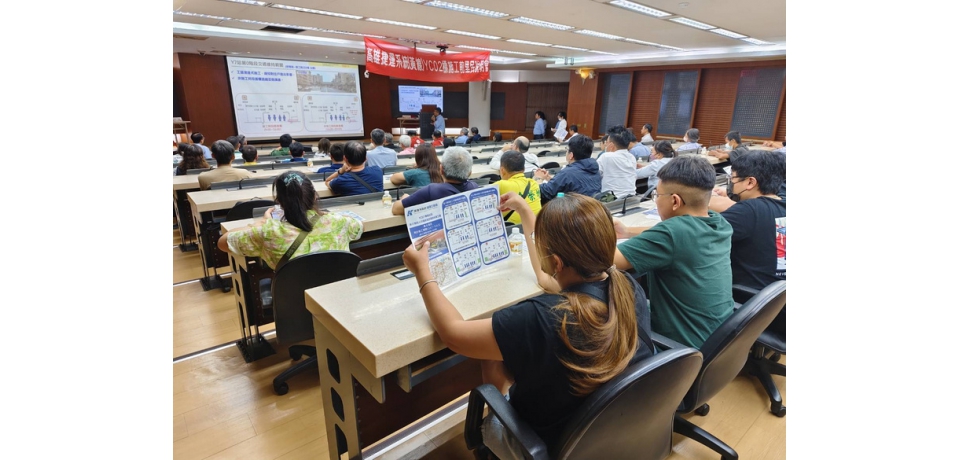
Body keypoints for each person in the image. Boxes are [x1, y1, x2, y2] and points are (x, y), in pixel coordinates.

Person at [401, 192, 653, 457]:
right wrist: (524, 212)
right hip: (609, 431)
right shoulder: (626, 287)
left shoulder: (541, 317)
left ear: (556, 262)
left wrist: (423, 273)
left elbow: (453, 334)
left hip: (550, 444)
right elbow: (546, 280)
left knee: (492, 358)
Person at [613, 156, 734, 348]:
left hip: (680, 349)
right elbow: (673, 235)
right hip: (718, 339)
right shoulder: (718, 222)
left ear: (675, 201)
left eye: (657, 196)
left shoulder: (672, 233)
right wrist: (627, 232)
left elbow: (607, 259)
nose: (656, 201)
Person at [218, 170, 363, 270]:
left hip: (292, 299)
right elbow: (358, 227)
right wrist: (323, 215)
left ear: (279, 202)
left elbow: (223, 242)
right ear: (314, 196)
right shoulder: (338, 222)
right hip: (335, 292)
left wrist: (260, 223)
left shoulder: (268, 231)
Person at [707, 151, 786, 290]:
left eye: (733, 179)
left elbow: (698, 237)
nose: (731, 184)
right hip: (775, 299)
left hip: (747, 298)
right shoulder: (783, 203)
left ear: (750, 182)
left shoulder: (748, 211)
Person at [391, 147, 478, 215]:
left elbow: (396, 209)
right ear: (469, 173)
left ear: (441, 170)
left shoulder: (432, 190)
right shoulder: (475, 188)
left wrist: (405, 197)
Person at [535, 135, 601, 203]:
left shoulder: (568, 173)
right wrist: (551, 180)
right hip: (588, 210)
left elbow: (544, 193)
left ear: (571, 155)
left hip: (573, 211)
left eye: (567, 149)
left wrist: (538, 178)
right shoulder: (595, 171)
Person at [496, 151, 541, 224]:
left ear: (502, 170)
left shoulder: (499, 185)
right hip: (535, 228)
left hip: (511, 232)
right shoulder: (534, 184)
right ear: (523, 169)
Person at [597, 125, 638, 199]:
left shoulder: (606, 156)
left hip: (611, 200)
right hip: (630, 199)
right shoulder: (632, 157)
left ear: (611, 145)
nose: (606, 144)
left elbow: (595, 175)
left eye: (607, 142)